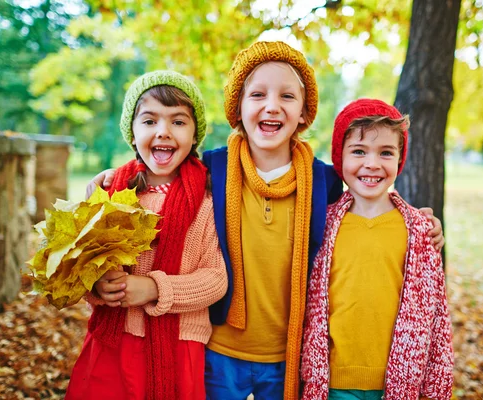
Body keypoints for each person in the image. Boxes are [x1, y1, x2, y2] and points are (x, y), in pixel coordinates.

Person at [88, 41, 445, 400]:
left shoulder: (324, 181)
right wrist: (112, 177)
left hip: (288, 352)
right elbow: (158, 168)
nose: (271, 106)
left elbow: (368, 195)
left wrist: (419, 221)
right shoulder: (212, 168)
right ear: (238, 108)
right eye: (257, 95)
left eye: (286, 97)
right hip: (219, 348)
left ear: (304, 112)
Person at [66, 70, 228, 400]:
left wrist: (154, 288)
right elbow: (82, 263)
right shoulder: (111, 192)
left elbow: (215, 279)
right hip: (113, 340)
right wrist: (99, 286)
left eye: (178, 122)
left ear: (195, 134)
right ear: (132, 130)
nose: (163, 132)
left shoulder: (207, 201)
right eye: (150, 121)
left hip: (179, 343)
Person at [300, 99, 454, 400]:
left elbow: (437, 318)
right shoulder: (322, 224)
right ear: (339, 158)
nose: (372, 164)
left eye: (385, 153)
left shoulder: (419, 231)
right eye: (359, 151)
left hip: (398, 383)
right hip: (331, 383)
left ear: (399, 160)